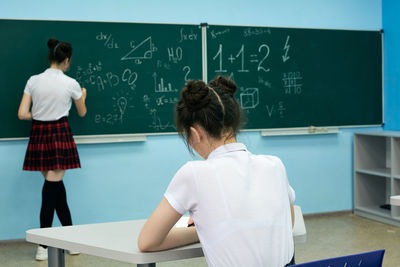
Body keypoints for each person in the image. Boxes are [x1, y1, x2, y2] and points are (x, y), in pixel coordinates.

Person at [138, 76, 296, 267]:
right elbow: (289, 223)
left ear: (195, 133)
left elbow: (147, 241)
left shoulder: (193, 173)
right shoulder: (274, 165)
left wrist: (203, 229)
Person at [18, 38, 87, 261]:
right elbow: (82, 112)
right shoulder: (71, 84)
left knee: (55, 190)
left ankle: (70, 240)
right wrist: (83, 96)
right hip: (59, 134)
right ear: (67, 60)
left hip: (39, 134)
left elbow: (22, 113)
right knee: (52, 191)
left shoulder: (33, 80)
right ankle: (43, 245)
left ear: (50, 57)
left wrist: (39, 115)